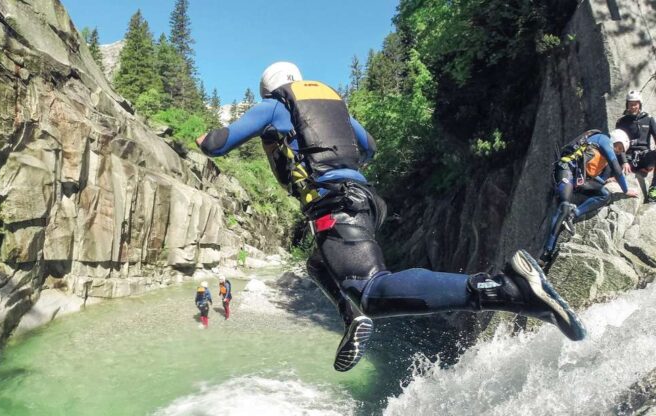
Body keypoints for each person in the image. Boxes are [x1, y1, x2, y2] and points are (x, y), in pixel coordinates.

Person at [196, 62, 587, 372]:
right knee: (318, 262)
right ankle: (352, 316)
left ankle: (504, 289)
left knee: (371, 289)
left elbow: (217, 144)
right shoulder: (331, 107)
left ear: (271, 87)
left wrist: (202, 139)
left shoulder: (275, 105)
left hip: (334, 203)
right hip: (362, 199)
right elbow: (369, 148)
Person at [539, 129, 638, 265]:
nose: (618, 151)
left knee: (604, 194)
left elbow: (587, 171)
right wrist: (626, 190)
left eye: (621, 151)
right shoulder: (604, 139)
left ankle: (573, 215)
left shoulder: (602, 150)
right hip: (565, 170)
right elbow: (617, 168)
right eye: (619, 147)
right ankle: (546, 253)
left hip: (578, 178)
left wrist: (603, 182)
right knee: (564, 207)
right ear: (615, 139)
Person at [616, 90, 656, 201]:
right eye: (630, 104)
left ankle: (654, 188)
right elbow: (618, 145)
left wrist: (653, 163)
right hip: (628, 158)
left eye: (635, 104)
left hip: (644, 157)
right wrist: (624, 162)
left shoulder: (648, 119)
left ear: (640, 104)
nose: (633, 107)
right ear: (627, 105)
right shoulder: (621, 122)